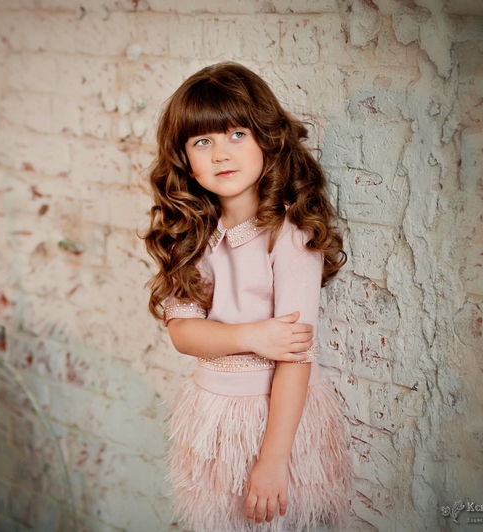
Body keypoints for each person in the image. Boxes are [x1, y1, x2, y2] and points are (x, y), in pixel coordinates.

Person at [143, 62, 353, 532]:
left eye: (237, 134)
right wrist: (252, 336)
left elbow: (295, 358)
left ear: (267, 140)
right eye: (202, 142)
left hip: (274, 421)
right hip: (213, 417)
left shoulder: (290, 236)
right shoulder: (193, 234)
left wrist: (274, 460)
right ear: (185, 161)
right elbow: (183, 334)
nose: (221, 154)